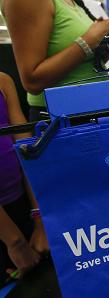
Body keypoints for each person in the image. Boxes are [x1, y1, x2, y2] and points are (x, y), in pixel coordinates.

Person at [1, 0, 109, 121]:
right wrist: (88, 41)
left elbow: (83, 62)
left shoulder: (72, 2)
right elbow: (32, 82)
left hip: (96, 109)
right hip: (63, 119)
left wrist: (107, 44)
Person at [0, 72, 48, 283]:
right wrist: (15, 243)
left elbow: (26, 151)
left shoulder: (3, 81)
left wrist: (39, 218)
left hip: (21, 206)